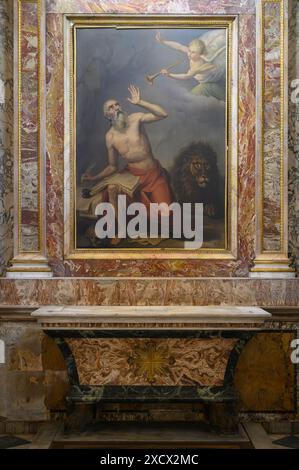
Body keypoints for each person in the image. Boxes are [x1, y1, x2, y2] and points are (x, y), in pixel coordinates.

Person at [82, 84, 174, 213]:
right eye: (111, 107)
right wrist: (94, 178)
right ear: (107, 115)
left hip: (153, 175)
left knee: (166, 213)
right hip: (131, 178)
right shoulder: (110, 136)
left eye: (117, 104)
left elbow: (163, 114)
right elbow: (112, 166)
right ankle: (120, 229)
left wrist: (140, 102)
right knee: (114, 194)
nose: (116, 108)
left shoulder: (136, 119)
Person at [156, 32, 225, 101]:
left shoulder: (201, 67)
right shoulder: (192, 55)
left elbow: (186, 76)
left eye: (193, 52)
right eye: (189, 50)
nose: (189, 54)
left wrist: (169, 75)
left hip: (213, 83)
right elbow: (179, 47)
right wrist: (163, 41)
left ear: (200, 54)